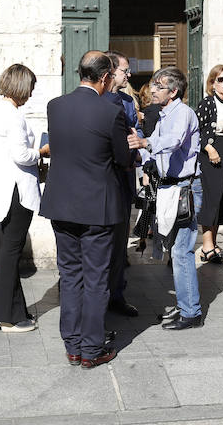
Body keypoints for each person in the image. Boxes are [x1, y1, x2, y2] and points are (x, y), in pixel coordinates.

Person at [40, 51, 133, 368]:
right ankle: (92, 349)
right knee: (95, 279)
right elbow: (122, 159)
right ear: (106, 77)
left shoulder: (56, 106)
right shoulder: (110, 111)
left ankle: (73, 344)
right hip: (97, 207)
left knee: (70, 276)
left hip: (62, 204)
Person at [128, 67, 204, 330]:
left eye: (159, 86)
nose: (153, 90)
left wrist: (144, 144)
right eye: (154, 85)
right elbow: (156, 149)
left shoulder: (183, 113)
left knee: (182, 251)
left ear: (173, 91)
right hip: (170, 187)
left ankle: (191, 312)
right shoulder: (163, 115)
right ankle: (185, 304)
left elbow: (172, 142)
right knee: (176, 250)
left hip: (184, 188)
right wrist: (142, 153)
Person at [0, 64, 45, 333]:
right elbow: (21, 155)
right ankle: (7, 316)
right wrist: (42, 151)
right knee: (10, 253)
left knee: (9, 251)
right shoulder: (12, 115)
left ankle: (15, 311)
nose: (31, 94)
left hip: (4, 190)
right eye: (30, 88)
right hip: (17, 191)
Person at [103, 51, 141, 318]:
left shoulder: (127, 101)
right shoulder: (96, 100)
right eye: (124, 70)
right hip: (101, 178)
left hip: (124, 175)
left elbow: (135, 133)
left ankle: (116, 293)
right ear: (110, 72)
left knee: (119, 242)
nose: (128, 75)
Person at [194, 64, 223, 264]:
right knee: (212, 197)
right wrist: (209, 149)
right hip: (212, 152)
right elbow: (196, 131)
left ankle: (214, 242)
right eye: (220, 79)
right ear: (212, 83)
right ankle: (206, 246)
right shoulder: (207, 103)